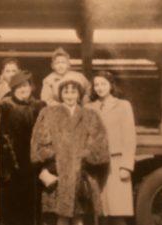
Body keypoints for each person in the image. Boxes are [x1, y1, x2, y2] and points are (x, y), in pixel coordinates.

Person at [31, 75, 109, 225]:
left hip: (82, 173)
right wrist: (52, 161)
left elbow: (99, 143)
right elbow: (39, 143)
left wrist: (86, 157)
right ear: (60, 94)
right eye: (66, 92)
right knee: (60, 216)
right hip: (57, 172)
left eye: (74, 92)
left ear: (79, 94)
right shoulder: (48, 113)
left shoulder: (90, 115)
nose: (70, 95)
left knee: (79, 215)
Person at [85, 71, 136, 225]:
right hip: (96, 164)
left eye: (103, 84)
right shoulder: (89, 108)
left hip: (116, 161)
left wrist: (126, 165)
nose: (100, 88)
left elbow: (129, 137)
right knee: (100, 212)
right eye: (96, 85)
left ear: (111, 85)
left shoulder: (123, 105)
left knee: (118, 211)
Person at [0, 70, 46, 225]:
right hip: (11, 166)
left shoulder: (39, 106)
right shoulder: (5, 106)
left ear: (31, 87)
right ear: (13, 89)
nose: (23, 89)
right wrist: (4, 167)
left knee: (32, 208)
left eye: (26, 85)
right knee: (11, 207)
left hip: (33, 166)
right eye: (19, 87)